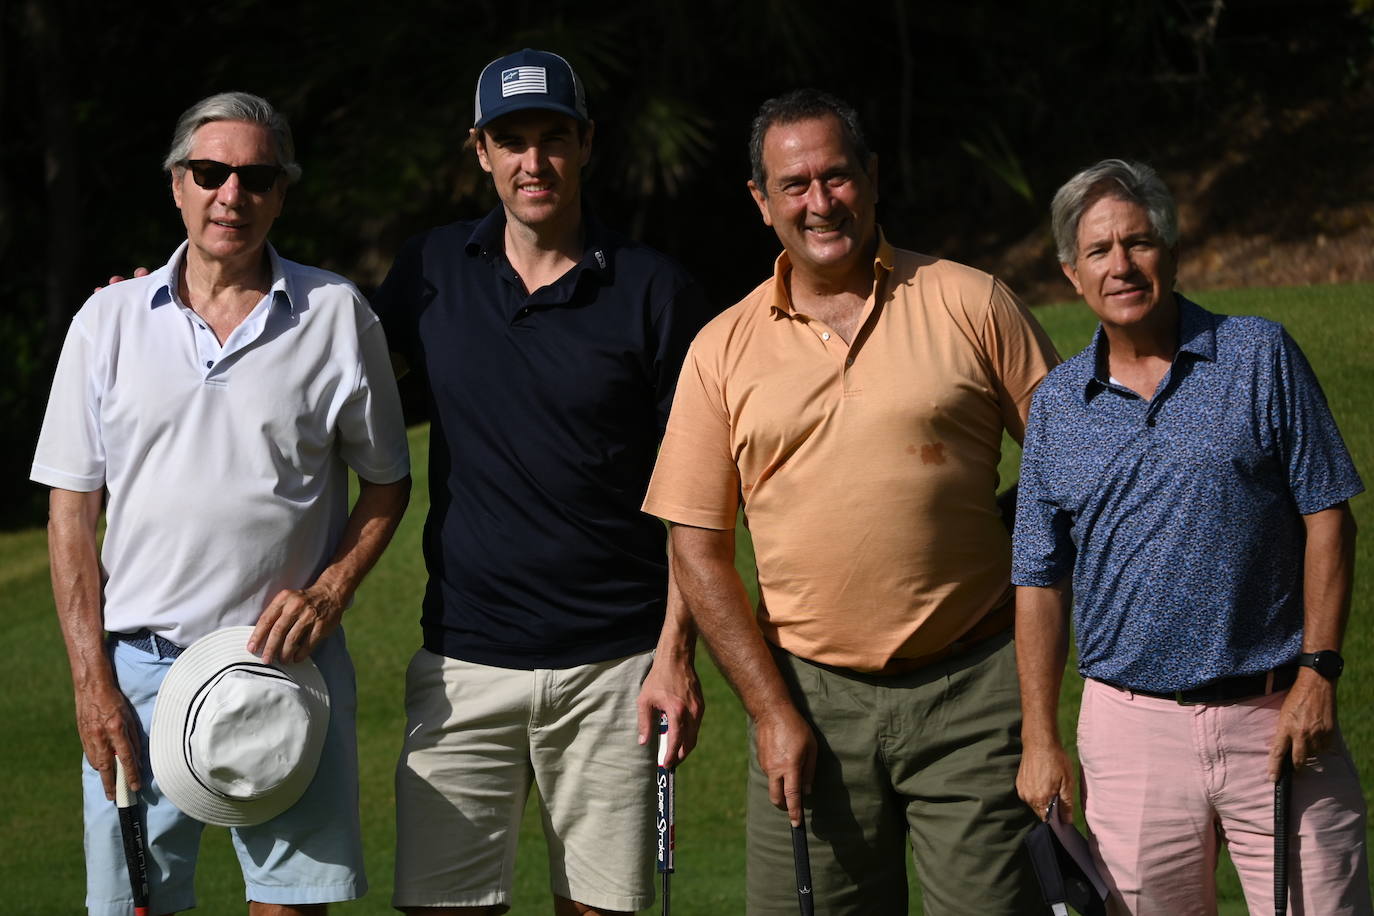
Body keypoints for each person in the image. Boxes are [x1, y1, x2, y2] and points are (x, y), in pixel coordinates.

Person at [642, 88, 1058, 915]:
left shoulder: (971, 301)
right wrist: (768, 712)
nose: (820, 202)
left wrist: (1008, 531)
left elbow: (1071, 467)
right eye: (793, 186)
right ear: (761, 204)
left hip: (972, 690)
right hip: (808, 697)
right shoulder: (721, 348)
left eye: (836, 176)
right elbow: (697, 550)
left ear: (872, 178)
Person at [32, 91, 412, 915]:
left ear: (282, 192)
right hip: (137, 674)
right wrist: (90, 680)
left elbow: (388, 480)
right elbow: (71, 513)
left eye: (256, 177)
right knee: (133, 907)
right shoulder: (108, 320)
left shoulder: (338, 316)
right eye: (210, 172)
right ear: (177, 183)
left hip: (286, 670)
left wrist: (331, 590)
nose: (231, 195)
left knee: (290, 907)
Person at [375, 49, 711, 916]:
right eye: (511, 140)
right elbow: (314, 371)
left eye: (553, 137)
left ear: (586, 143)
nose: (534, 162)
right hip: (463, 662)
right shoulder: (429, 270)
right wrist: (185, 296)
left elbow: (701, 495)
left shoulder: (653, 288)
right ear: (479, 151)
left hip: (616, 666)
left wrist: (676, 654)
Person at [1013, 158, 1371, 914]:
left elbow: (1328, 513)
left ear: (1171, 251)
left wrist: (1319, 672)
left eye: (1139, 243)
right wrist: (1039, 737)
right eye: (1100, 251)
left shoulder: (1258, 356)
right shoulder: (1056, 409)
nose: (1122, 265)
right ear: (1072, 275)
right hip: (1131, 733)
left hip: (1278, 717)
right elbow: (1039, 582)